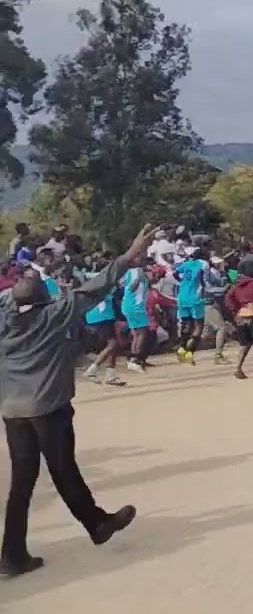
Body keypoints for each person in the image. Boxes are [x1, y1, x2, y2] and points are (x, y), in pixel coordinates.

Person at [0, 224, 157, 578]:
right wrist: (131, 253)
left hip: (13, 411)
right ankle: (98, 525)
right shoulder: (54, 314)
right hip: (48, 409)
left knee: (22, 482)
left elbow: (13, 296)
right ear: (43, 299)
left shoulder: (4, 318)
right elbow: (97, 285)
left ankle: (13, 554)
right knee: (63, 469)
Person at [173, 248, 209, 364]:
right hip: (195, 297)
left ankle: (181, 348)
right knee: (199, 325)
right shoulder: (203, 264)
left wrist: (181, 281)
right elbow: (203, 280)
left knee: (186, 324)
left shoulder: (186, 263)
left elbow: (175, 273)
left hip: (182, 296)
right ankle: (190, 351)